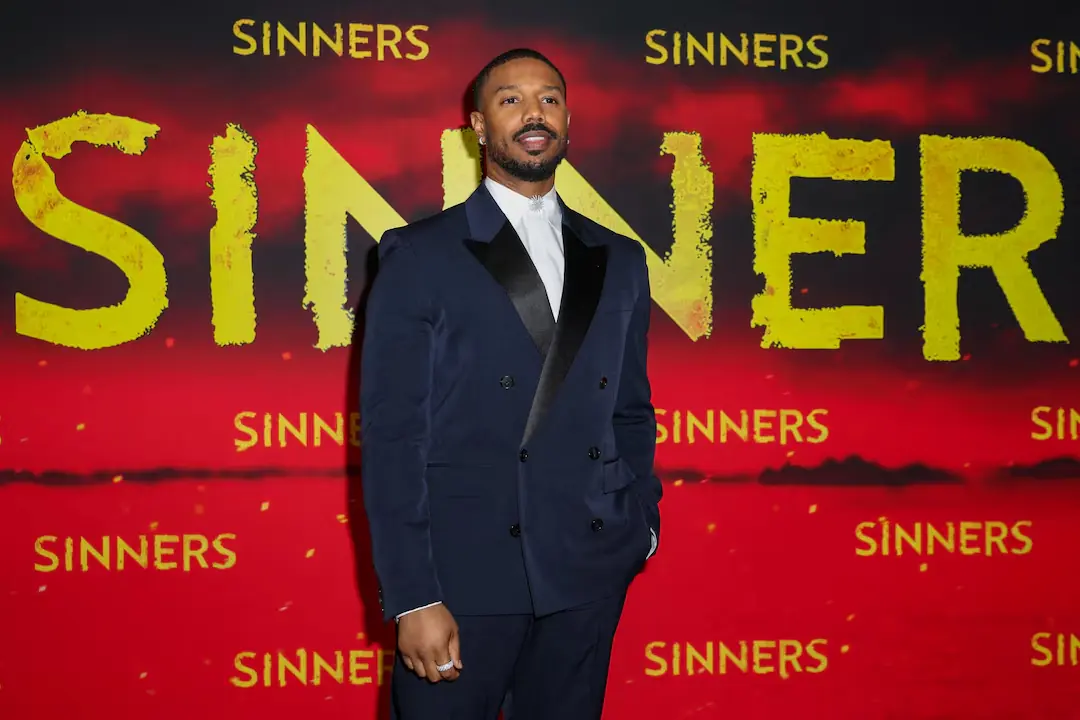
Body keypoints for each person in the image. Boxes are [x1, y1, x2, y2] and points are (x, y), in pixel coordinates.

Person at [359, 47, 662, 720]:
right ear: (478, 126)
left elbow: (631, 409)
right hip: (465, 576)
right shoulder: (421, 253)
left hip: (586, 570)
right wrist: (412, 595)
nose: (534, 114)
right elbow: (394, 434)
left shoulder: (618, 256)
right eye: (511, 100)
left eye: (549, 99)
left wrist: (641, 523)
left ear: (568, 121)